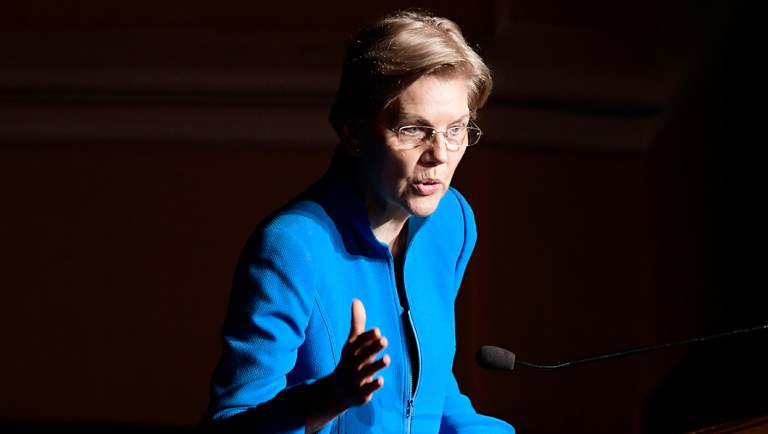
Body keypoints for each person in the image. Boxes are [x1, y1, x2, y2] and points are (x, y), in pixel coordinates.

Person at [200, 9, 515, 434]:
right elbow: (228, 424)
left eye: (455, 129)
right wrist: (328, 397)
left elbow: (429, 393)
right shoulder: (290, 248)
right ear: (354, 133)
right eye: (412, 129)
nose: (439, 154)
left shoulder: (451, 223)